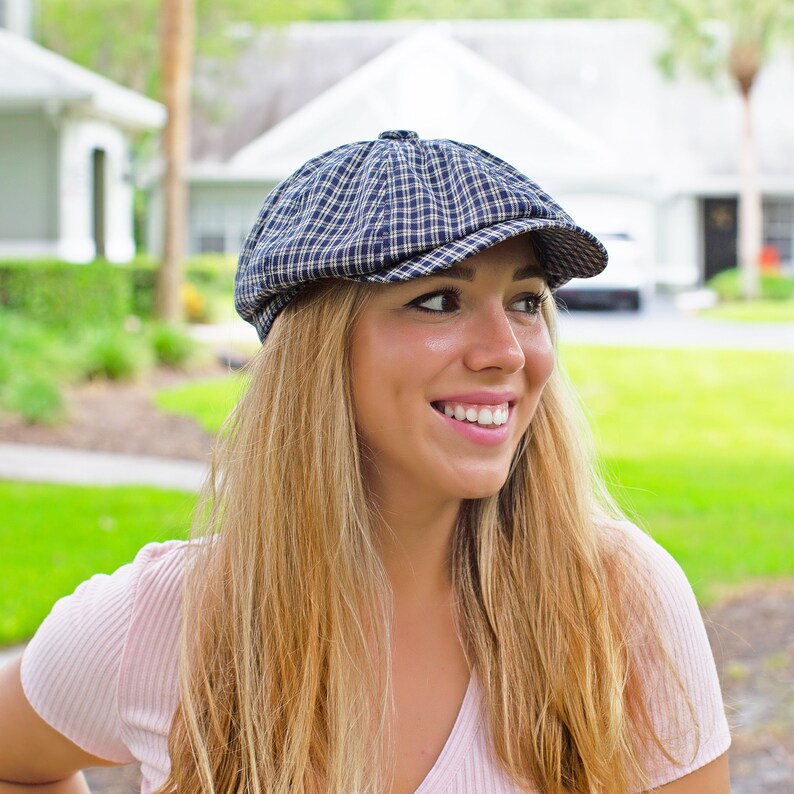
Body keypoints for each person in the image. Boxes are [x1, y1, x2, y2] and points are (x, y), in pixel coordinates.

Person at [0, 131, 730, 793]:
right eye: (441, 300)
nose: (506, 351)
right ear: (319, 351)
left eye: (526, 300)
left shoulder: (618, 601)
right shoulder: (160, 622)